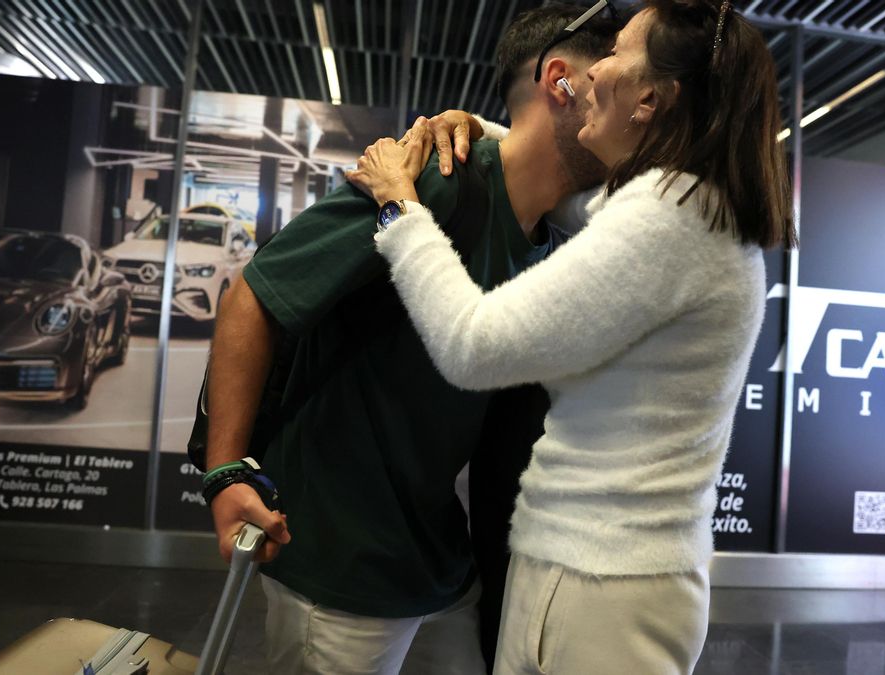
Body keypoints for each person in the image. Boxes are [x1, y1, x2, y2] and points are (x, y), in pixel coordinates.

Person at [344, 0, 794, 672]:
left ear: (649, 98)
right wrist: (489, 133)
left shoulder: (669, 219)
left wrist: (399, 206)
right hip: (587, 569)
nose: (595, 70)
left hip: (608, 589)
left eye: (616, 53)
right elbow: (572, 199)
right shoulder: (683, 205)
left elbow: (471, 344)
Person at [202, 5, 619, 674]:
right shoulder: (431, 180)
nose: (637, 111)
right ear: (561, 82)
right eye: (616, 82)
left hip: (436, 564)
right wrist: (224, 471)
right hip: (342, 561)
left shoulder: (549, 239)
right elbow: (255, 295)